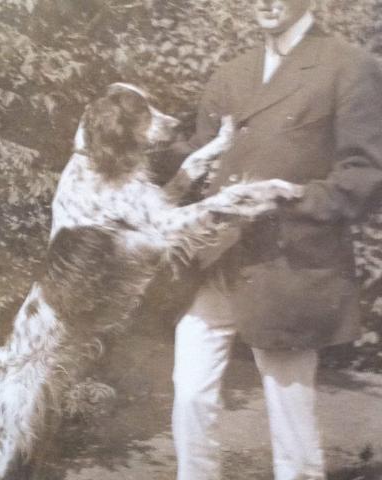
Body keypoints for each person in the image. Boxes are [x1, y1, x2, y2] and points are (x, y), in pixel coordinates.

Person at [170, 1, 382, 479]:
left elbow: (366, 176)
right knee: (189, 389)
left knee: (288, 408)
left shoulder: (347, 65)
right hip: (220, 258)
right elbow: (201, 162)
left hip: (289, 264)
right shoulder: (233, 72)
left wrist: (288, 197)